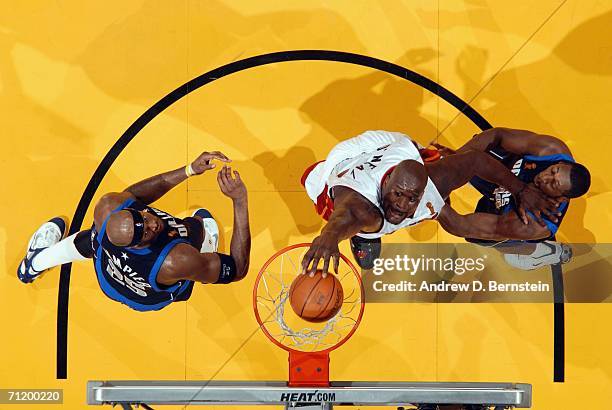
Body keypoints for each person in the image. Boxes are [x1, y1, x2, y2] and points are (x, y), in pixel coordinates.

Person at [17, 151, 251, 311]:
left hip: (109, 279)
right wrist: (239, 201)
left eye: (144, 218)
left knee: (93, 240)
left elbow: (135, 196)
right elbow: (238, 269)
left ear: (130, 212)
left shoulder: (107, 208)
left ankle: (34, 263)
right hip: (147, 295)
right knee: (196, 230)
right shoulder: (176, 260)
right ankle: (198, 256)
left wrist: (190, 169)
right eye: (147, 233)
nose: (153, 224)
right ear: (137, 244)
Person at [300, 130, 558, 274]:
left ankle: (523, 250)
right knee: (359, 221)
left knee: (457, 225)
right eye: (397, 195)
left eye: (411, 198)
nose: (401, 205)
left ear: (422, 194)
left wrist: (521, 189)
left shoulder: (433, 183)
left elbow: (476, 161)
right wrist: (329, 239)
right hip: (344, 168)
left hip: (395, 146)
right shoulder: (360, 207)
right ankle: (364, 237)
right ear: (386, 185)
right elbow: (340, 220)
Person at [434, 127, 590, 269]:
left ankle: (541, 252)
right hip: (503, 173)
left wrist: (435, 206)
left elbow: (466, 226)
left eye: (553, 184)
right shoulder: (551, 150)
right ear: (560, 163)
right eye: (553, 170)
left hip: (504, 211)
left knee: (482, 237)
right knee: (482, 149)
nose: (545, 177)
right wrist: (454, 159)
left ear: (561, 198)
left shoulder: (535, 224)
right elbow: (498, 135)